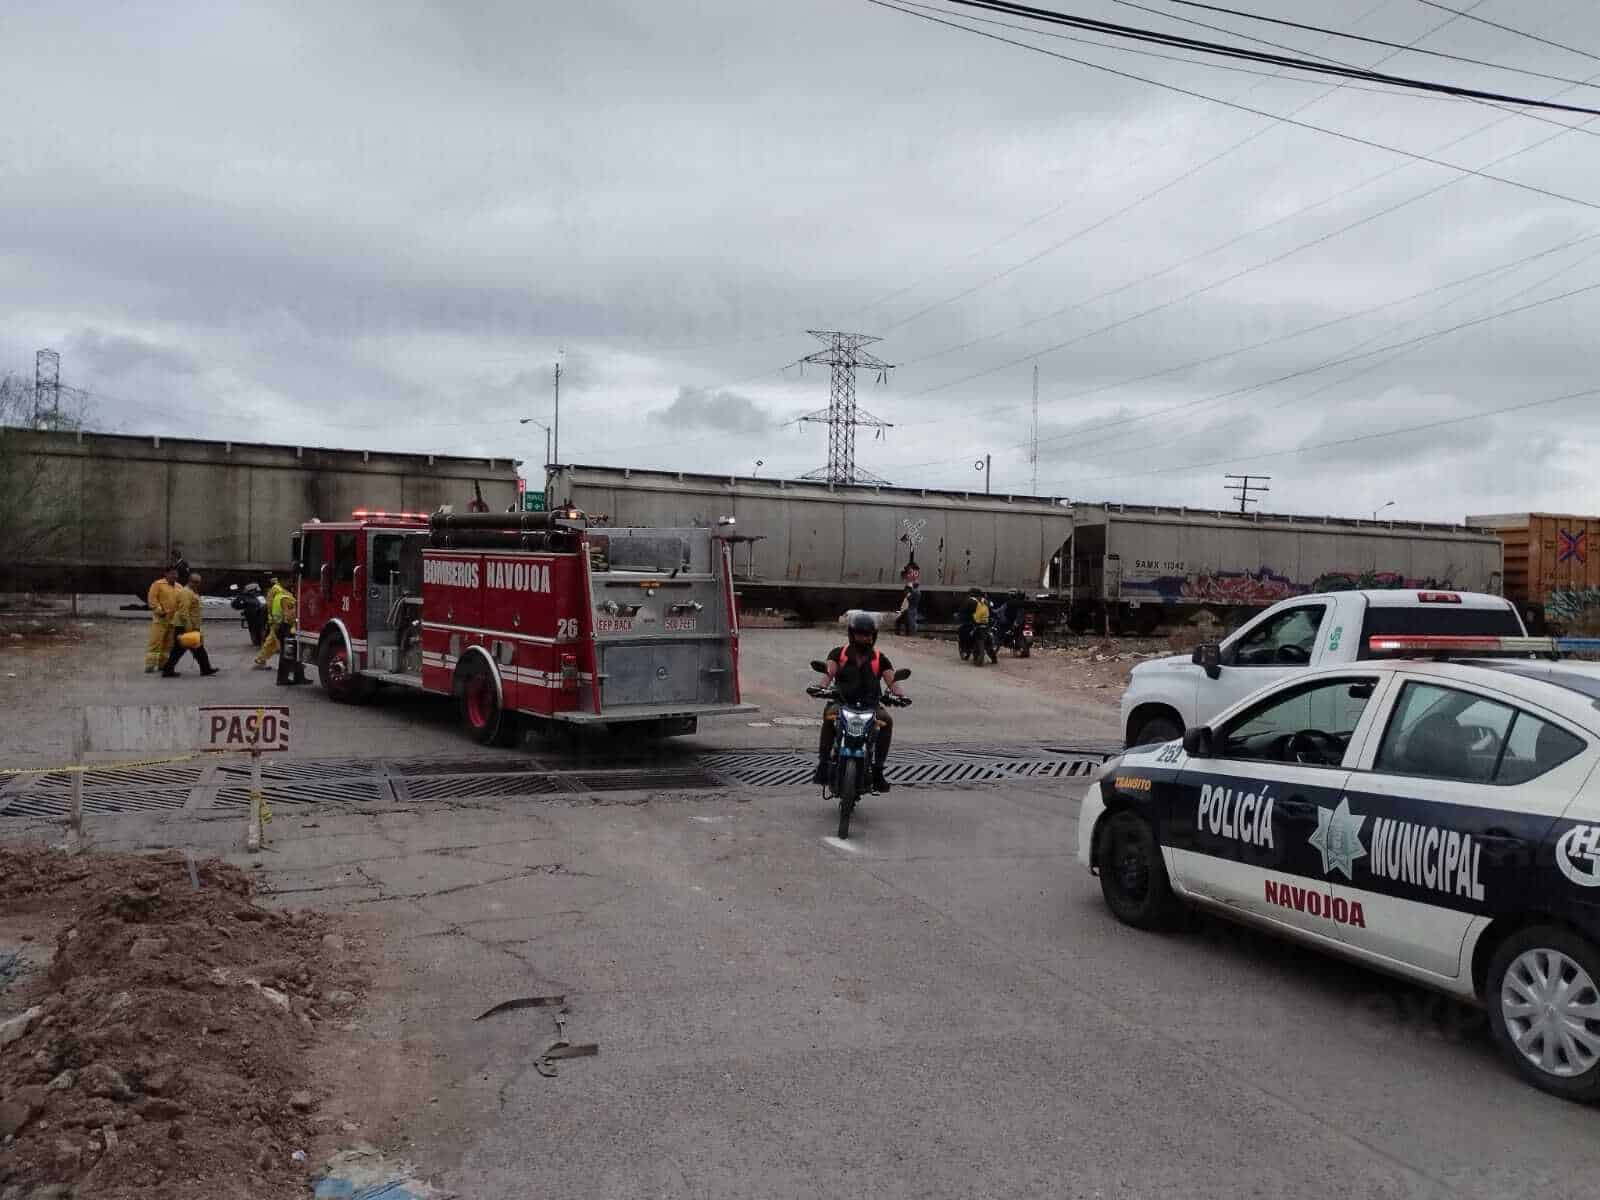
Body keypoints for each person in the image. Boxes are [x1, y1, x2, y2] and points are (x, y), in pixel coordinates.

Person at [813, 612, 907, 792]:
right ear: (852, 634)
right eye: (860, 634)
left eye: (868, 634)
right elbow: (828, 673)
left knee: (887, 721)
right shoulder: (839, 653)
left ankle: (878, 770)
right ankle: (823, 763)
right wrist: (821, 687)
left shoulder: (880, 658)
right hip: (842, 703)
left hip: (870, 706)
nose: (865, 638)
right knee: (829, 716)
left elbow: (892, 681)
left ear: (874, 636)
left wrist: (900, 695)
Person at [162, 573, 218, 677]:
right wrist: (189, 628)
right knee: (187, 649)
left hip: (188, 625)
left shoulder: (191, 592)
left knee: (188, 649)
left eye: (198, 583)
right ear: (190, 581)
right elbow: (183, 612)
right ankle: (205, 669)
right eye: (195, 582)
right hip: (184, 626)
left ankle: (205, 669)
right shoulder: (186, 593)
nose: (197, 584)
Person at [144, 564, 179, 673]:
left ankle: (163, 664)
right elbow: (152, 599)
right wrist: (160, 611)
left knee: (168, 644)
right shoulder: (158, 584)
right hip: (160, 620)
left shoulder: (179, 587)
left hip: (173, 621)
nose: (175, 576)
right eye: (172, 573)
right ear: (166, 574)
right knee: (156, 642)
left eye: (176, 574)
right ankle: (150, 665)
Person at [274, 587, 309, 686]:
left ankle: (299, 677)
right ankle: (282, 679)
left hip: (283, 627)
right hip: (287, 627)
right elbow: (289, 615)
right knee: (288, 653)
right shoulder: (286, 598)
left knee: (295, 652)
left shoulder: (280, 596)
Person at [253, 576, 289, 669]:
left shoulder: (278, 589)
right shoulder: (277, 590)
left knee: (271, 642)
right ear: (283, 580)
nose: (290, 582)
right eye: (289, 580)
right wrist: (273, 618)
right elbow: (271, 605)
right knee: (281, 643)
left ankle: (260, 660)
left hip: (278, 620)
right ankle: (290, 665)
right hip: (279, 620)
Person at [957, 586, 990, 659]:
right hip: (985, 623)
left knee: (961, 632)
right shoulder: (985, 601)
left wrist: (960, 617)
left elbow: (962, 611)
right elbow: (990, 610)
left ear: (971, 593)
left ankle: (964, 649)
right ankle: (993, 658)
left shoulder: (969, 601)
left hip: (971, 623)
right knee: (989, 638)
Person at [893, 562, 921, 636]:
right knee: (906, 617)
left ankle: (910, 633)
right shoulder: (916, 572)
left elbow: (909, 593)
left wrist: (908, 594)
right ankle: (908, 632)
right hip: (913, 593)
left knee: (909, 617)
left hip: (912, 593)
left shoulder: (911, 574)